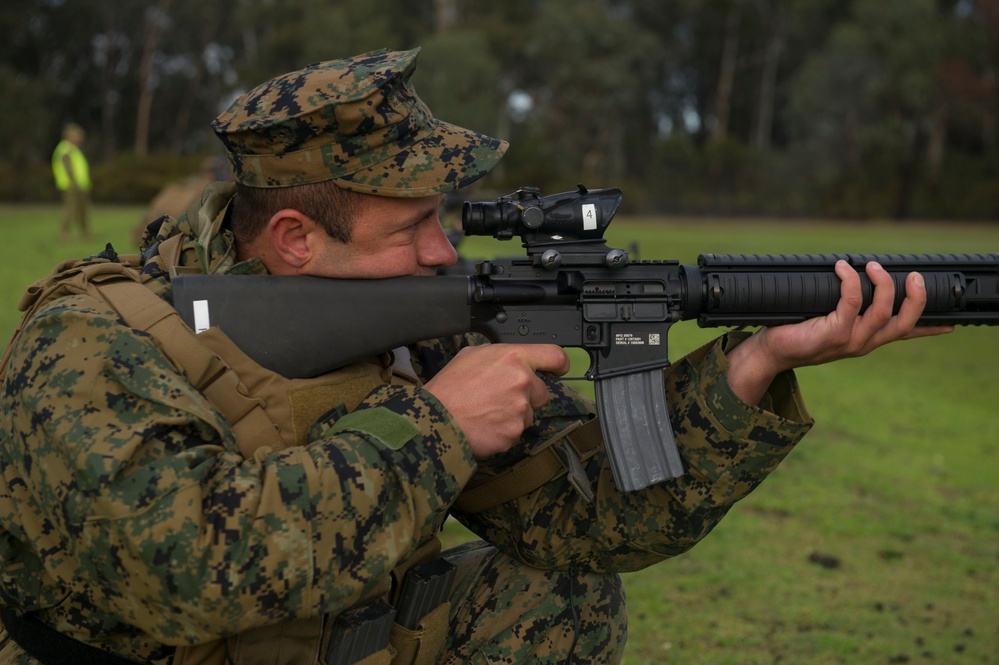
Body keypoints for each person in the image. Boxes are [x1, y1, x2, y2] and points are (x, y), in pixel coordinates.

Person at [0, 48, 950, 665]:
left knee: (556, 591)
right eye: (413, 225)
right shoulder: (92, 345)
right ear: (293, 238)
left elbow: (578, 524)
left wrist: (754, 364)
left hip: (324, 641)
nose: (445, 251)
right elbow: (184, 572)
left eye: (446, 220)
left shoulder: (412, 324)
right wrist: (437, 424)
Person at [51, 123, 92, 242]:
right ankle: (64, 234)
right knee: (70, 210)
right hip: (71, 186)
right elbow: (68, 169)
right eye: (77, 136)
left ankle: (85, 233)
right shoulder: (65, 149)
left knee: (83, 211)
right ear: (69, 136)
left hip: (80, 186)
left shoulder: (73, 150)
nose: (80, 138)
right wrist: (74, 183)